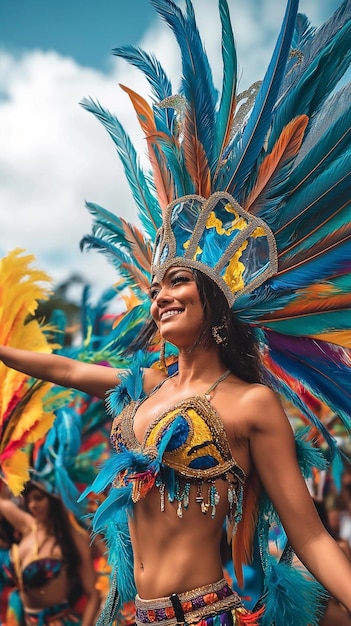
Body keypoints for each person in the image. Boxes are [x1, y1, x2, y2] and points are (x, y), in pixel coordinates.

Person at [1, 1, 351, 625]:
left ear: (215, 304)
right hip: (134, 616)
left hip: (204, 616)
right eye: (156, 285)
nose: (159, 296)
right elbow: (68, 370)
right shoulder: (150, 386)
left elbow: (313, 537)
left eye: (178, 282)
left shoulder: (251, 404)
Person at [0, 481, 100, 626]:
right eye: (28, 500)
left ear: (54, 499)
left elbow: (93, 595)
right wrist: (8, 464)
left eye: (38, 498)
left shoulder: (73, 538)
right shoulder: (28, 526)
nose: (32, 505)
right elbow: (3, 501)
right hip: (22, 619)